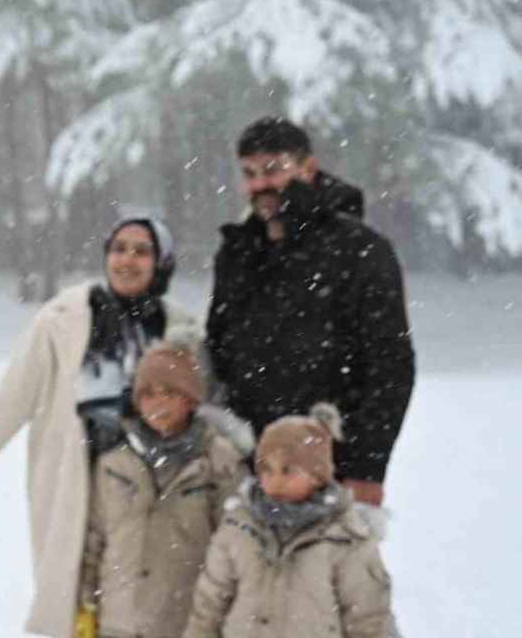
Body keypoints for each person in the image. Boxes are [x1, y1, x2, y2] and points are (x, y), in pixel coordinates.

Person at [0, 217, 202, 638]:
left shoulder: (180, 327)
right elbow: (9, 403)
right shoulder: (62, 319)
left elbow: (202, 410)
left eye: (142, 251)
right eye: (119, 249)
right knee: (81, 603)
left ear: (162, 262)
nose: (127, 260)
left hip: (156, 488)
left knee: (151, 606)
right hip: (80, 487)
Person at [206, 116, 415, 506]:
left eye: (273, 170)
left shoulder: (359, 250)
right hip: (249, 467)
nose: (260, 184)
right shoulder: (237, 253)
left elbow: (390, 365)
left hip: (330, 466)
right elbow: (219, 351)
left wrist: (367, 467)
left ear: (308, 168)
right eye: (249, 173)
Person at [75, 343, 249, 638]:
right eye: (148, 394)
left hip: (185, 624)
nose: (158, 403)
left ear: (191, 400)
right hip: (119, 623)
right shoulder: (114, 464)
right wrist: (85, 603)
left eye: (170, 392)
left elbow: (235, 551)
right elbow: (94, 539)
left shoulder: (220, 464)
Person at [183, 404, 392, 638]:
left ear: (317, 476)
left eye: (288, 470)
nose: (275, 481)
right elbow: (208, 606)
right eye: (266, 469)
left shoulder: (346, 539)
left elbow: (368, 619)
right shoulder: (238, 527)